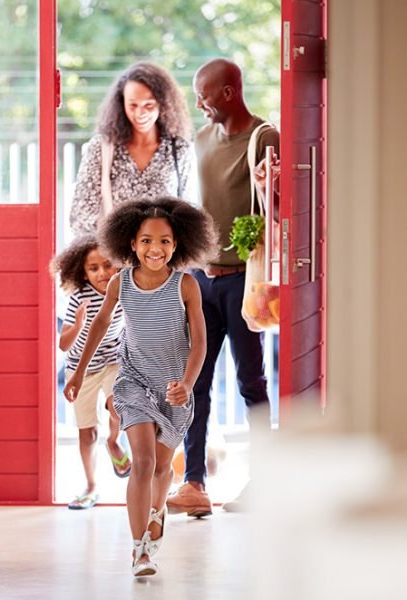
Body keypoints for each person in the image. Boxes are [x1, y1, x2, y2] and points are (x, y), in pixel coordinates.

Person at [64, 197, 218, 576]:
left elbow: (199, 342)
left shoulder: (186, 285)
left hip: (175, 389)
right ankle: (140, 551)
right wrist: (80, 372)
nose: (155, 248)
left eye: (164, 241)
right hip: (133, 382)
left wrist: (186, 383)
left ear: (177, 244)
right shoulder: (121, 282)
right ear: (131, 244)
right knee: (144, 462)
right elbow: (99, 326)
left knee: (163, 468)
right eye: (146, 240)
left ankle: (157, 510)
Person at [166, 58, 280, 516]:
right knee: (196, 383)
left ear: (229, 93)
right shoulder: (200, 140)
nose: (199, 104)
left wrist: (269, 188)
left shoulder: (263, 137)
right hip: (201, 280)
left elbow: (281, 210)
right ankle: (194, 483)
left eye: (204, 95)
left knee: (251, 381)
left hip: (242, 281)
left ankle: (267, 482)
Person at [69, 61, 194, 236]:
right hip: (116, 259)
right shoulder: (103, 148)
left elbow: (187, 215)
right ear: (121, 104)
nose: (140, 113)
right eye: (132, 105)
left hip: (163, 260)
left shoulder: (178, 149)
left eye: (148, 105)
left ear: (163, 104)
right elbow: (80, 216)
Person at [50, 235, 129, 509]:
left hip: (112, 360)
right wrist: (79, 325)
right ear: (82, 273)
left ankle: (114, 440)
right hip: (80, 367)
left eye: (107, 265)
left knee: (118, 405)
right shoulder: (79, 298)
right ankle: (91, 485)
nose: (102, 273)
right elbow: (63, 344)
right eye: (93, 269)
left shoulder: (122, 288)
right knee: (87, 432)